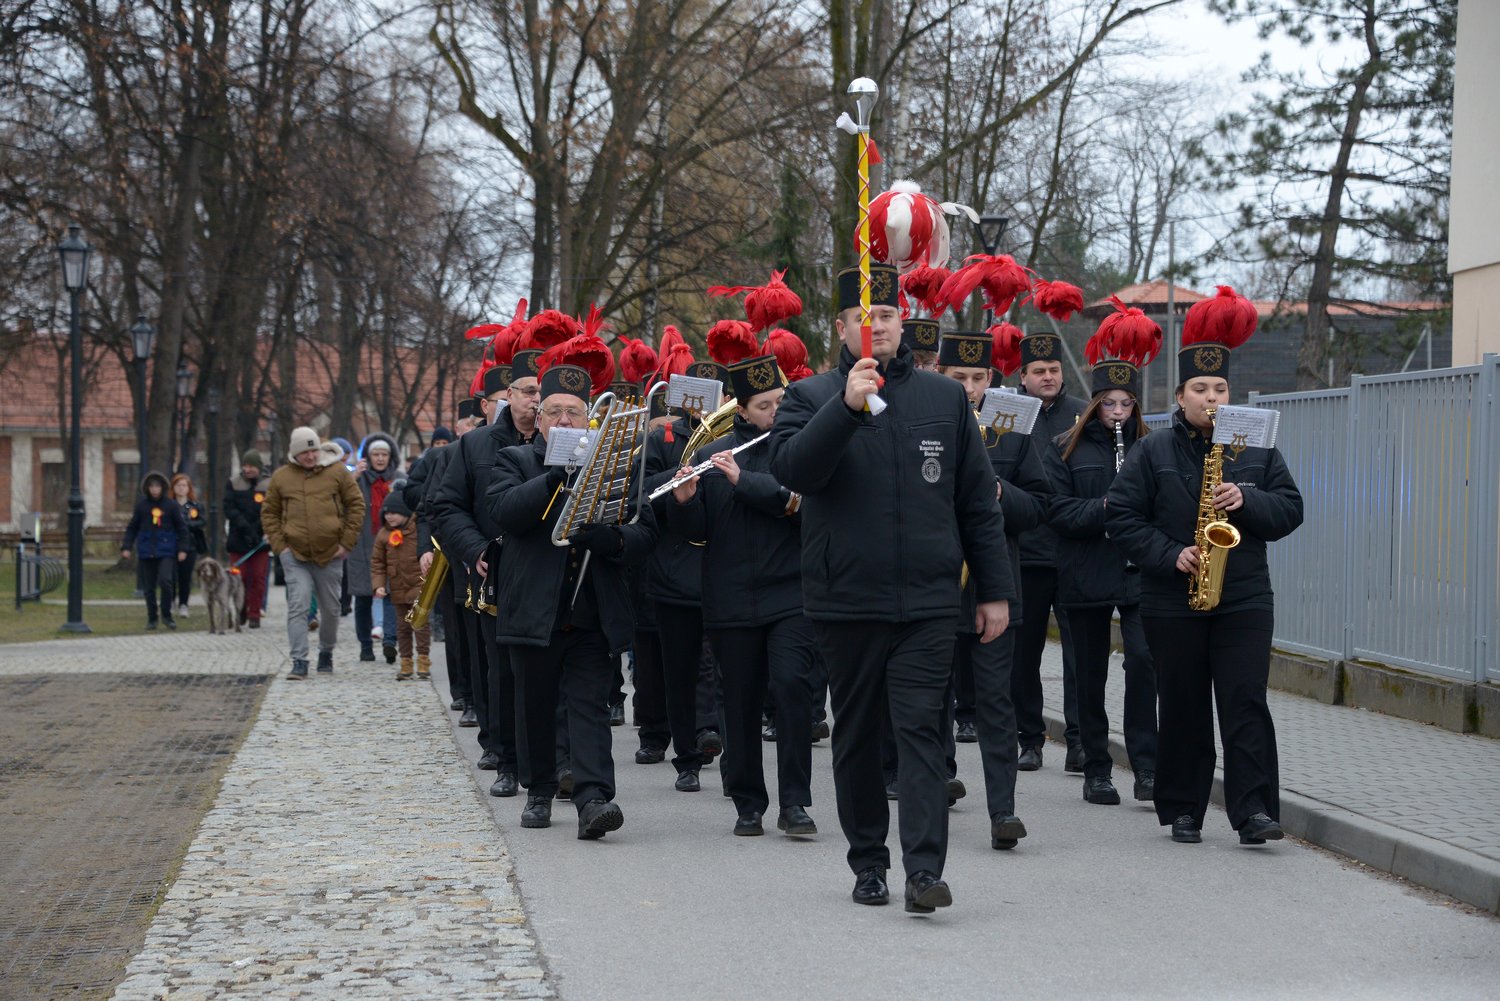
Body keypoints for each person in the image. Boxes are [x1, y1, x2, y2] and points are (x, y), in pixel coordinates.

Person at [769, 263, 1014, 913]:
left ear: (901, 321)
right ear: (842, 326)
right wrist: (845, 409)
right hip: (845, 599)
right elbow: (793, 470)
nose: (874, 326)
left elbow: (977, 505)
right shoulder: (809, 395)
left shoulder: (943, 399)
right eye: (861, 317)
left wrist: (993, 588)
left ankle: (924, 869)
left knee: (920, 734)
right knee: (855, 734)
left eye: (885, 315)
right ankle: (868, 860)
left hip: (930, 600)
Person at [1106, 285, 1304, 845]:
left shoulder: (1257, 448)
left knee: (1245, 702)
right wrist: (1173, 554)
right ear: (1181, 395)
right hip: (1174, 596)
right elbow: (1121, 516)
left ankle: (1255, 811)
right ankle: (1184, 808)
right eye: (1200, 388)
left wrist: (1250, 500)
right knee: (1186, 705)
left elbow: (1292, 509)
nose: (1211, 397)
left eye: (1220, 388)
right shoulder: (1153, 450)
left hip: (1243, 595)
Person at [485, 351, 658, 841]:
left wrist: (605, 537)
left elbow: (643, 533)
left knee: (589, 708)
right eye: (554, 411)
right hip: (532, 611)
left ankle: (593, 799)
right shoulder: (514, 460)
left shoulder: (615, 465)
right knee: (535, 706)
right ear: (538, 421)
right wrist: (559, 476)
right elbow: (505, 512)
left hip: (590, 611)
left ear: (590, 419)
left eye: (574, 412)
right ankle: (539, 790)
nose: (564, 419)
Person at [670, 349, 821, 838]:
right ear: (742, 411)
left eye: (782, 402)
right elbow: (698, 533)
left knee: (794, 691)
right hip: (731, 600)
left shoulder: (798, 452)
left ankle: (795, 803)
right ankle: (748, 801)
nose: (776, 412)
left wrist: (744, 479)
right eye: (765, 406)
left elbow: (800, 508)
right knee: (738, 702)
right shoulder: (710, 459)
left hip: (790, 596)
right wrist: (686, 501)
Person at [1041, 302, 1162, 807]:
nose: (1118, 414)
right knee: (1089, 672)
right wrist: (1108, 507)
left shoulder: (1152, 448)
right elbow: (1059, 513)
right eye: (1109, 405)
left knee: (1144, 662)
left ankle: (1148, 767)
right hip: (1086, 572)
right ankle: (1096, 766)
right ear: (1095, 406)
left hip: (1137, 573)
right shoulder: (1067, 446)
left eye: (1126, 405)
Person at [934, 329, 1049, 850]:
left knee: (996, 702)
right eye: (959, 378)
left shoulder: (1012, 431)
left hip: (993, 585)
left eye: (979, 378)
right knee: (933, 695)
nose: (971, 388)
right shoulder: (922, 421)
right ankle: (937, 780)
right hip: (933, 584)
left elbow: (1039, 507)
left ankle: (1003, 809)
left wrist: (1002, 492)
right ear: (941, 375)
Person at [434, 350, 539, 797]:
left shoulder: (568, 439)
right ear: (508, 395)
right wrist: (474, 548)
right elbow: (446, 506)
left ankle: (554, 760)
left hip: (551, 574)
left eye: (542, 392)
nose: (535, 401)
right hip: (495, 572)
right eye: (528, 392)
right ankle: (504, 757)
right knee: (502, 672)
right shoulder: (474, 446)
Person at [1012, 328, 1088, 772]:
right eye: (1038, 371)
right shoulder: (1010, 414)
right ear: (1022, 376)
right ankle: (1030, 737)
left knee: (1080, 651)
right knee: (1026, 652)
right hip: (1028, 552)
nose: (1048, 377)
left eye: (1054, 370)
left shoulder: (1083, 414)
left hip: (1073, 550)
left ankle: (1079, 739)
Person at [261, 426, 365, 679]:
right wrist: (280, 547)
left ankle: (326, 652)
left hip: (331, 553)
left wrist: (346, 543)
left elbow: (356, 505)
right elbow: (269, 513)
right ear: (295, 454)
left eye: (313, 450)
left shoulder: (337, 472)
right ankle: (299, 660)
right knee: (298, 606)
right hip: (294, 554)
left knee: (331, 609)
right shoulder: (281, 477)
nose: (310, 456)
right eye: (305, 452)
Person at [349, 434, 401, 664]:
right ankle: (365, 645)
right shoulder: (358, 480)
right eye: (375, 454)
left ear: (391, 456)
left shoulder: (398, 480)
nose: (380, 459)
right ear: (367, 457)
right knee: (362, 598)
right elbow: (342, 500)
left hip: (392, 544)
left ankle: (390, 640)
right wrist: (353, 477)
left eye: (384, 454)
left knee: (391, 593)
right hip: (362, 545)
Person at [370, 492, 430, 681]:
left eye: (394, 512)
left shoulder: (418, 530)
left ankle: (423, 659)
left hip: (419, 586)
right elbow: (377, 562)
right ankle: (405, 661)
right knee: (402, 627)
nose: (389, 516)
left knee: (420, 625)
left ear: (405, 512)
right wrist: (378, 585)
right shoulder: (383, 534)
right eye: (386, 513)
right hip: (397, 587)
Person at [121, 471, 189, 630]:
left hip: (166, 550)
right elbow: (132, 527)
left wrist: (182, 549)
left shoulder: (171, 506)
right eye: (151, 486)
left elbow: (182, 529)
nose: (154, 489)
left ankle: (167, 615)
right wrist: (126, 546)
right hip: (146, 550)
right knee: (148, 587)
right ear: (147, 488)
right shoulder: (142, 506)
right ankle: (152, 617)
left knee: (166, 582)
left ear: (163, 487)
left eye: (157, 486)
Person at [224, 450, 270, 628]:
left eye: (251, 466)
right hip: (239, 538)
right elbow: (229, 508)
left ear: (258, 467)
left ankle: (254, 613)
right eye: (245, 466)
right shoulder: (233, 484)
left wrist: (260, 528)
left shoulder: (269, 484)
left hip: (261, 539)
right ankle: (241, 609)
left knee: (258, 577)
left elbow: (272, 508)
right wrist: (245, 527)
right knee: (240, 577)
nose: (248, 469)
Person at [170, 473, 208, 617]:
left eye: (184, 485)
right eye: (178, 485)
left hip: (190, 545)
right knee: (171, 576)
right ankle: (171, 601)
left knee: (185, 577)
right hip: (172, 544)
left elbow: (202, 522)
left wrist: (186, 525)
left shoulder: (195, 506)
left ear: (189, 488)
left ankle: (184, 604)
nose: (181, 488)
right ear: (173, 488)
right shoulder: (169, 505)